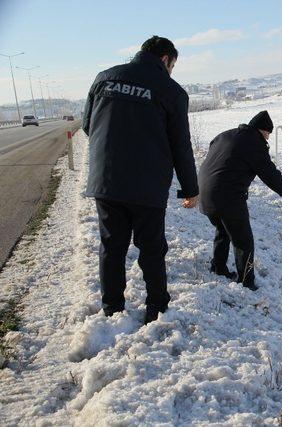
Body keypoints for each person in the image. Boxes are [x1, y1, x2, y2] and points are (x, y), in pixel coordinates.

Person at [82, 36, 199, 323]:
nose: (171, 71)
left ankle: (112, 308)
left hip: (106, 180)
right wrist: (190, 189)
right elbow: (180, 145)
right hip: (147, 185)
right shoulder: (171, 91)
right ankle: (157, 308)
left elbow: (88, 125)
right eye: (172, 65)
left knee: (112, 246)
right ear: (165, 59)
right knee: (152, 248)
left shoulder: (104, 78)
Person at [198, 111, 282, 291]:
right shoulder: (254, 143)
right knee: (244, 241)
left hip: (205, 193)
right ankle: (246, 282)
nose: (268, 138)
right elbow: (270, 174)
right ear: (262, 130)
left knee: (223, 229)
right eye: (268, 134)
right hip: (228, 196)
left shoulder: (224, 135)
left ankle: (218, 267)